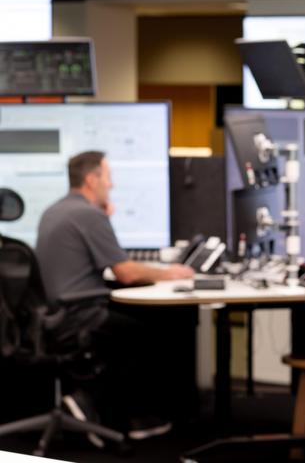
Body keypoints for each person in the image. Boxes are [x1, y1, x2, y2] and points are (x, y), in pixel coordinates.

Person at [35, 150, 195, 443]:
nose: (112, 185)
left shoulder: (56, 210)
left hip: (57, 316)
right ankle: (119, 415)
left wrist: (103, 218)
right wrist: (169, 272)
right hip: (81, 316)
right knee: (153, 333)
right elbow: (126, 273)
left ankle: (90, 400)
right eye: (108, 178)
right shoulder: (87, 214)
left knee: (134, 323)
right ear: (91, 179)